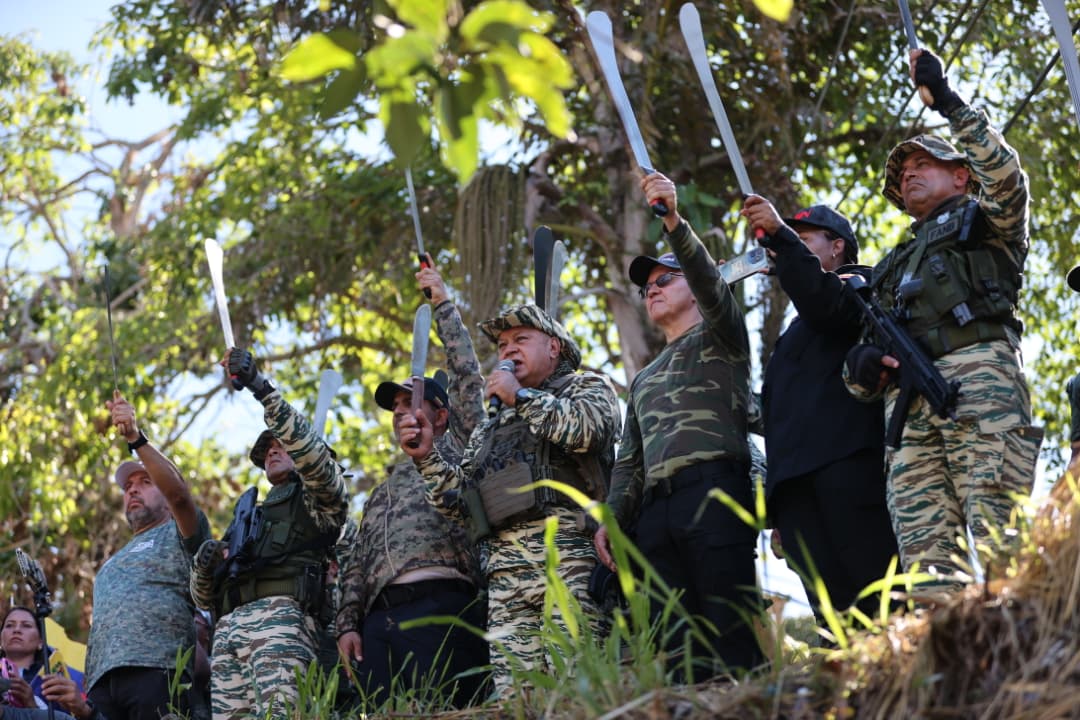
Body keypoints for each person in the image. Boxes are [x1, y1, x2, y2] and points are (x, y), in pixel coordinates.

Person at [844, 48, 1043, 593]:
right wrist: (860, 367)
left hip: (978, 382)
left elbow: (1006, 179)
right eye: (902, 174)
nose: (909, 174)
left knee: (1002, 540)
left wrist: (949, 103)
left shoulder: (986, 221)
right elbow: (860, 363)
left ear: (960, 176)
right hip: (906, 413)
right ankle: (948, 646)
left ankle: (1032, 637)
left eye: (922, 165)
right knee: (927, 570)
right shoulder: (890, 265)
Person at [398, 303, 620, 696]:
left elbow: (587, 431)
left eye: (521, 339)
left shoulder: (585, 387)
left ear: (554, 347)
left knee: (577, 688)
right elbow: (462, 504)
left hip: (568, 559)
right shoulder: (489, 428)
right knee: (516, 698)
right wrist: (427, 457)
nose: (508, 350)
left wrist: (521, 397)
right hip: (505, 577)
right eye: (502, 345)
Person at [595, 172, 766, 681]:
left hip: (715, 491)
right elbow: (630, 461)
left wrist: (672, 219)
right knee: (679, 651)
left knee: (731, 630)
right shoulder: (643, 378)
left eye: (664, 280)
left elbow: (711, 282)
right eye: (646, 288)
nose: (652, 290)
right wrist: (612, 520)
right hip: (656, 514)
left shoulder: (722, 334)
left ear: (694, 286)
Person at [336, 260, 488, 708]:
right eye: (396, 407)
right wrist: (347, 624)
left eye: (412, 401)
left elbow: (467, 378)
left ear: (441, 415)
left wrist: (442, 304)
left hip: (442, 603)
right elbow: (357, 563)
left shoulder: (459, 446)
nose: (402, 411)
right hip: (380, 622)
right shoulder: (380, 491)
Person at [740, 198, 899, 626]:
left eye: (803, 239)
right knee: (833, 619)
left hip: (849, 473)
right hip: (797, 490)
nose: (790, 246)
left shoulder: (861, 289)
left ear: (837, 246)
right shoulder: (794, 335)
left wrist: (780, 236)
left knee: (880, 600)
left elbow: (825, 302)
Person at [190, 349, 348, 720]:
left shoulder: (318, 499)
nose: (273, 453)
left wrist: (261, 388)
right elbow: (203, 596)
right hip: (228, 631)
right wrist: (204, 564)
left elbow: (313, 459)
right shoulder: (248, 517)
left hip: (281, 621)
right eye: (268, 450)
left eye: (282, 446)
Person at [83, 391, 211, 720]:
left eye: (145, 482)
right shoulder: (110, 563)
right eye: (128, 487)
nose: (133, 489)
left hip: (159, 671)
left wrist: (135, 438)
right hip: (101, 684)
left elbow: (180, 496)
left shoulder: (182, 531)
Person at [1, 607, 84, 711]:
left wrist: (32, 704)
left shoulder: (54, 681)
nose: (16, 630)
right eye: (9, 625)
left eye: (26, 625)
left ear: (40, 641)